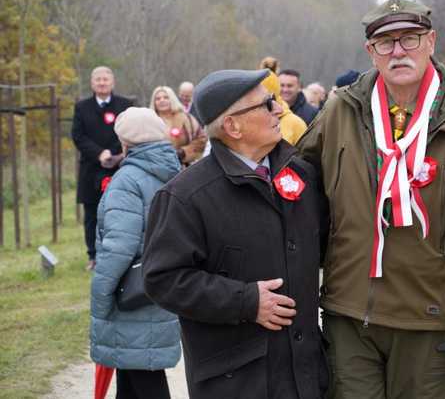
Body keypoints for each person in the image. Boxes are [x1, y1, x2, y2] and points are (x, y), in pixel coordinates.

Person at [297, 0, 445, 398]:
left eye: (410, 39)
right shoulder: (339, 113)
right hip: (349, 314)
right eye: (386, 42)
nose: (398, 51)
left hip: (426, 320)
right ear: (370, 52)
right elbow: (295, 187)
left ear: (431, 41)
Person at [142, 69, 328, 399]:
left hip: (305, 375)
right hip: (235, 381)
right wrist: (245, 301)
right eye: (267, 104)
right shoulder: (185, 197)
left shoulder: (301, 174)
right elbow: (163, 279)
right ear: (233, 126)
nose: (280, 110)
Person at [90, 107, 181, 399]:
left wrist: (100, 298)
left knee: (146, 380)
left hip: (129, 295)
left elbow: (119, 247)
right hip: (158, 286)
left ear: (125, 141)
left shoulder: (127, 181)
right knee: (132, 376)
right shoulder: (173, 173)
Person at [72, 66, 133, 271]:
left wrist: (116, 154)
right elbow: (78, 136)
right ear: (92, 83)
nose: (102, 83)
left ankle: (124, 254)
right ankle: (94, 256)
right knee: (92, 214)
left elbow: (130, 131)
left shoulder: (125, 105)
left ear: (112, 82)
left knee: (122, 211)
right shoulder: (82, 107)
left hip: (120, 167)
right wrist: (99, 153)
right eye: (98, 79)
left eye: (105, 79)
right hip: (91, 168)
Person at [149, 86, 206, 166]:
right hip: (155, 166)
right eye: (158, 99)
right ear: (154, 102)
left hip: (183, 168)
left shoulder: (186, 118)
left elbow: (201, 139)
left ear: (172, 99)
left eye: (166, 97)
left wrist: (183, 152)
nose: (162, 100)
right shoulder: (149, 121)